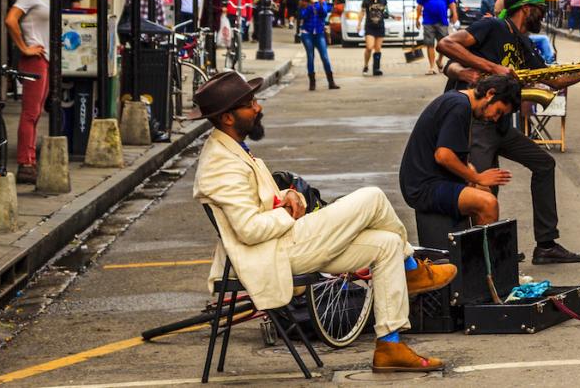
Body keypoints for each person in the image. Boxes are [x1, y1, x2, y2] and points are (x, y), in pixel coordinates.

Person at [188, 71, 457, 373]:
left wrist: (289, 195)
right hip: (275, 252)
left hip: (285, 242)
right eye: (250, 104)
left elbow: (260, 201)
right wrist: (287, 213)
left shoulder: (232, 148)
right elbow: (249, 230)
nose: (258, 107)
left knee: (388, 244)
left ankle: (390, 346)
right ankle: (412, 269)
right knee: (372, 198)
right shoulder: (219, 165)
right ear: (227, 117)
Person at [437, 0, 580, 264]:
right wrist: (492, 68)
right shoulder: (493, 28)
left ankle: (546, 245)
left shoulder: (524, 43)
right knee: (485, 187)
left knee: (544, 163)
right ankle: (486, 256)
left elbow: (556, 79)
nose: (543, 15)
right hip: (477, 121)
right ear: (526, 9)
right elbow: (446, 44)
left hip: (500, 124)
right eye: (540, 10)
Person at [399, 75, 520, 224]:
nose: (495, 119)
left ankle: (474, 244)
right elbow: (443, 155)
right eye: (498, 111)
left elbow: (452, 152)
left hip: (432, 179)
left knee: (485, 191)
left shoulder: (459, 100)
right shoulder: (459, 106)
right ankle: (485, 247)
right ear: (490, 94)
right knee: (488, 203)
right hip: (423, 186)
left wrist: (471, 172)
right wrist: (476, 177)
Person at [4, 0, 52, 184]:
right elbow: (10, 19)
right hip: (34, 57)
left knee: (37, 112)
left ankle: (30, 158)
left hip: (45, 59)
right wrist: (24, 47)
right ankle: (25, 161)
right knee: (30, 112)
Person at [297, 0, 340, 91]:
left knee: (325, 57)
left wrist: (319, 5)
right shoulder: (303, 3)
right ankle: (312, 82)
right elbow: (303, 16)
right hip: (307, 33)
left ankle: (331, 82)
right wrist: (310, 5)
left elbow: (324, 14)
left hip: (319, 32)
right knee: (310, 57)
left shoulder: (321, 2)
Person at [415, 0, 457, 75]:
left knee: (443, 44)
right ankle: (432, 66)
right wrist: (417, 19)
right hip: (428, 21)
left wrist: (455, 14)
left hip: (442, 20)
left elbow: (451, 2)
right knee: (429, 44)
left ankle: (439, 60)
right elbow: (419, 5)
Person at [359, 0, 390, 76]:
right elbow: (362, 13)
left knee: (378, 48)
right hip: (369, 27)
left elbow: (386, 12)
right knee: (369, 47)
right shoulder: (366, 1)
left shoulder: (383, 1)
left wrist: (389, 15)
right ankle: (366, 65)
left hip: (380, 27)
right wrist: (358, 24)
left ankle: (376, 69)